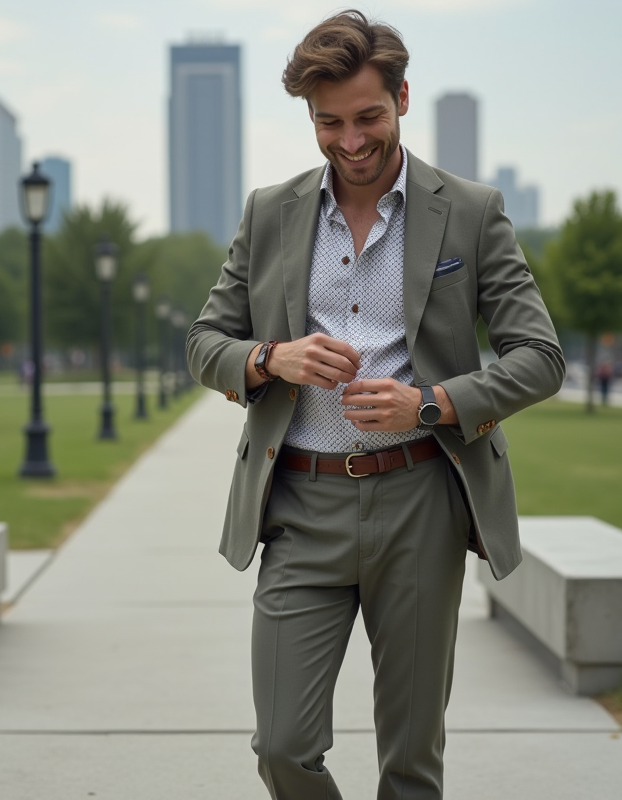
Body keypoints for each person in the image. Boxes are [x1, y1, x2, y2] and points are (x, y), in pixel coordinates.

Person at [186, 11, 564, 798]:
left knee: (411, 764)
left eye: (368, 118)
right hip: (298, 505)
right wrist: (267, 357)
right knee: (283, 746)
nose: (350, 141)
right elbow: (204, 342)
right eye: (329, 123)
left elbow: (540, 359)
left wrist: (428, 404)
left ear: (401, 98)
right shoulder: (269, 211)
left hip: (421, 501)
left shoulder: (469, 210)